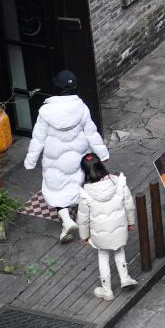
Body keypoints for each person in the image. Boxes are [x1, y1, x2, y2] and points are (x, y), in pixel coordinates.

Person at [24, 70, 109, 242]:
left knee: (56, 190)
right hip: (78, 157)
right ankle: (79, 219)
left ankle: (66, 220)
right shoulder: (81, 108)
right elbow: (92, 134)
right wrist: (103, 154)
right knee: (78, 186)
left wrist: (30, 162)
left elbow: (38, 139)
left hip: (55, 160)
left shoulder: (45, 112)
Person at [76, 154, 137, 301]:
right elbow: (129, 205)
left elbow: (83, 219)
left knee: (103, 256)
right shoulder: (118, 182)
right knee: (119, 249)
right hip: (119, 228)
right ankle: (125, 278)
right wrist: (131, 221)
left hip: (99, 234)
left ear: (85, 171)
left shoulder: (85, 193)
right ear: (101, 165)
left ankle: (107, 290)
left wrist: (84, 236)